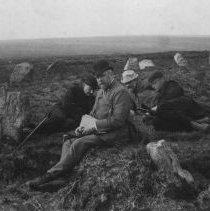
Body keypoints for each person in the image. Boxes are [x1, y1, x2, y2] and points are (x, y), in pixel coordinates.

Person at [28, 59, 133, 192]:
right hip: (99, 129)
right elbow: (93, 113)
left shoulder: (120, 92)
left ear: (110, 74)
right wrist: (84, 125)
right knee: (68, 139)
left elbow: (118, 121)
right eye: (97, 76)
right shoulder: (101, 92)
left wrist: (94, 126)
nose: (99, 80)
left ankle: (50, 175)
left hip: (114, 133)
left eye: (101, 76)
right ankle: (64, 177)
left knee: (80, 142)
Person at [146, 71, 210, 132]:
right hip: (177, 114)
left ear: (162, 79)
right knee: (156, 122)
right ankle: (197, 123)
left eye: (155, 82)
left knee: (162, 109)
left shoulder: (172, 85)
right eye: (151, 84)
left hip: (187, 109)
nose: (153, 86)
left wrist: (157, 109)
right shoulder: (161, 94)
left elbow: (173, 99)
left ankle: (197, 125)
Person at [24, 74, 98, 135]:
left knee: (69, 124)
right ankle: (32, 130)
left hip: (72, 118)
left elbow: (88, 113)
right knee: (59, 118)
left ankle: (37, 131)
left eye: (93, 90)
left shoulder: (91, 98)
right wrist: (79, 115)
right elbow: (67, 106)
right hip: (60, 110)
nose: (91, 92)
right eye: (90, 88)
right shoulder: (73, 90)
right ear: (84, 84)